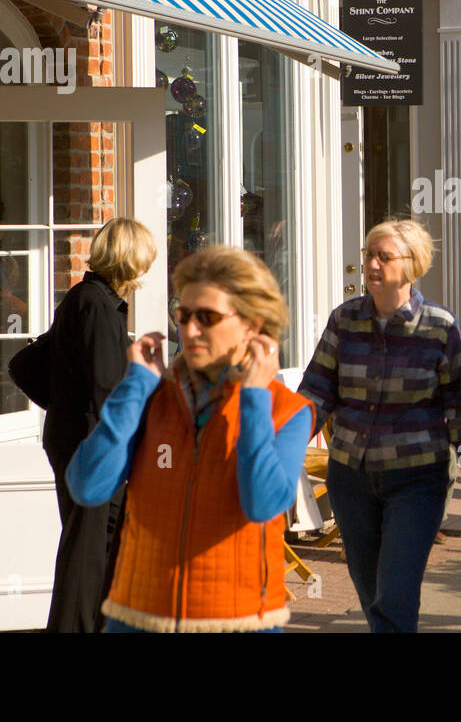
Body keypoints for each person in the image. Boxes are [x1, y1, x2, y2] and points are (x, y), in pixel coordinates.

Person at [67, 245, 313, 632]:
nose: (190, 329)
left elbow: (262, 504)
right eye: (183, 315)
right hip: (137, 617)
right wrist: (133, 388)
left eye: (208, 317)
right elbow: (88, 486)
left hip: (240, 619)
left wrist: (252, 399)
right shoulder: (150, 396)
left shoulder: (286, 410)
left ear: (252, 324)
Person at [300, 219, 461, 633]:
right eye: (368, 255)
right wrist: (285, 444)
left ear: (412, 265)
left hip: (417, 479)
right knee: (370, 589)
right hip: (350, 478)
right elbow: (315, 392)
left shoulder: (438, 326)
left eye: (384, 256)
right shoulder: (344, 320)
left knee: (395, 590)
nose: (372, 264)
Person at [42, 217, 156, 633]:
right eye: (144, 259)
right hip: (89, 444)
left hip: (81, 439)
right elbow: (107, 388)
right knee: (86, 550)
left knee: (98, 542)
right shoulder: (94, 303)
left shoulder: (92, 300)